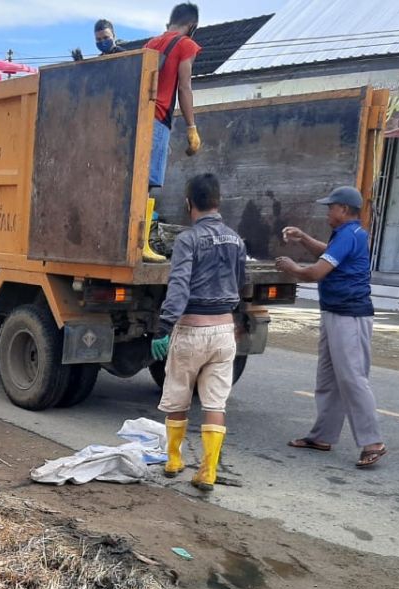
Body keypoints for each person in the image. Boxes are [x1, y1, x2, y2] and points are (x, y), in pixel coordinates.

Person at [277, 186, 387, 468]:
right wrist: (303, 238)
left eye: (331, 207)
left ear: (345, 210)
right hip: (338, 313)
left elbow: (316, 272)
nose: (328, 212)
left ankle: (372, 441)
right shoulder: (348, 235)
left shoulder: (349, 234)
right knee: (328, 379)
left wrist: (292, 268)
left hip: (349, 315)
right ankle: (322, 436)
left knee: (351, 378)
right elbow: (327, 252)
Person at [150, 174, 246, 491]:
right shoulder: (236, 240)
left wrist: (163, 328)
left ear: (189, 203)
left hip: (191, 330)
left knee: (178, 395)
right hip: (223, 331)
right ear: (218, 201)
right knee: (214, 404)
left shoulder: (187, 240)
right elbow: (242, 285)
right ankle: (208, 471)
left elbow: (178, 287)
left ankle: (174, 460)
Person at [142, 3, 203, 263]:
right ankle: (140, 244)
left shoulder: (150, 44)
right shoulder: (186, 44)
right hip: (157, 119)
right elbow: (184, 88)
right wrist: (191, 127)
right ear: (192, 26)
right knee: (148, 185)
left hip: (139, 119)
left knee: (136, 182)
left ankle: (134, 241)